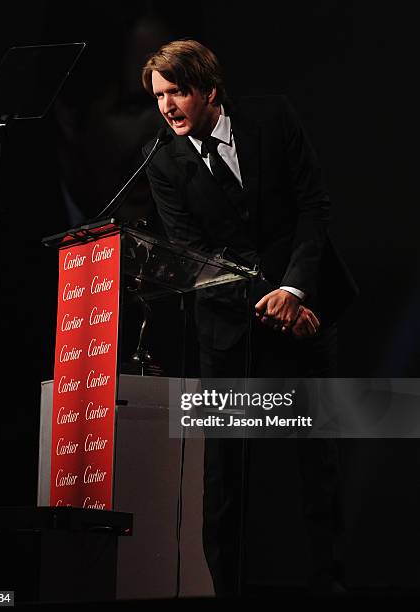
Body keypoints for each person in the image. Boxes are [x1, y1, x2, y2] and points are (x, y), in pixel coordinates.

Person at [141, 39, 357, 596]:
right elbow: (196, 257)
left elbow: (314, 206)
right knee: (225, 477)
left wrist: (297, 290)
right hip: (230, 328)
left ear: (209, 90)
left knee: (319, 461)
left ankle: (329, 585)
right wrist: (277, 303)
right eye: (159, 95)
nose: (168, 106)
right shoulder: (163, 163)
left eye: (178, 91)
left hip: (308, 307)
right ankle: (227, 593)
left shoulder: (272, 116)